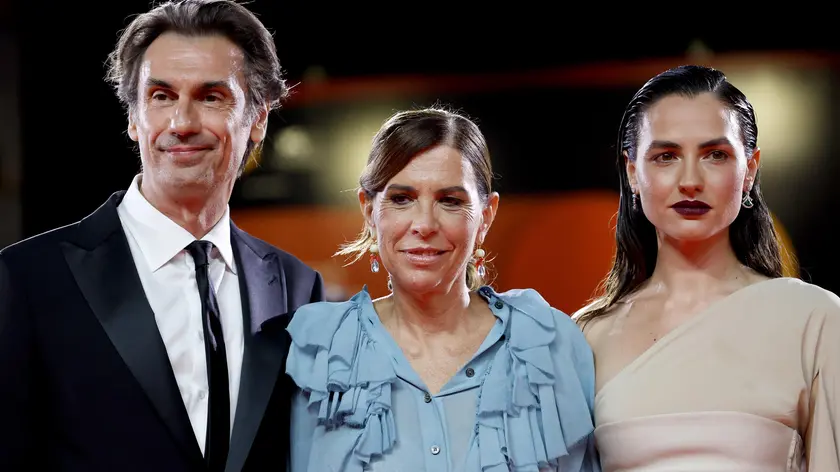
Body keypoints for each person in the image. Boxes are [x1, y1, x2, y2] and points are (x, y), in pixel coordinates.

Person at [0, 1, 324, 470]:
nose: (182, 123)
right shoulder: (27, 280)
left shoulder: (296, 288)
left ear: (257, 120)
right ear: (134, 118)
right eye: (161, 96)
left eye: (211, 97)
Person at [285, 107, 601, 472]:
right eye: (401, 198)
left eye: (450, 201)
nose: (424, 224)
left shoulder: (549, 345)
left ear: (486, 216)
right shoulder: (318, 352)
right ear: (369, 211)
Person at [573, 65, 840, 470]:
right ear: (633, 173)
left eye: (715, 154)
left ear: (749, 170)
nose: (690, 180)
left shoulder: (814, 319)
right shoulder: (587, 336)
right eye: (666, 156)